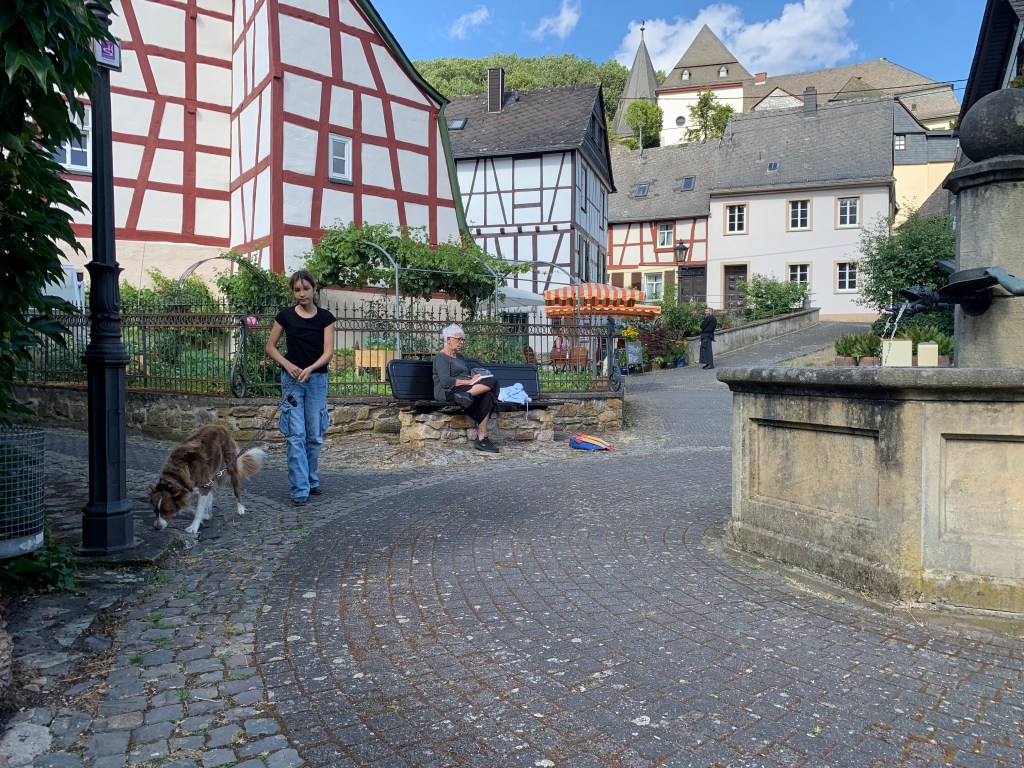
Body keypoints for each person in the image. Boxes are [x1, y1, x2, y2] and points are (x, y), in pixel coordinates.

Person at [265, 270, 336, 505]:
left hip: (316, 380)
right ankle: (299, 489)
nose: (302, 293)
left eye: (306, 288)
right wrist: (287, 365)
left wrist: (311, 368)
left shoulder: (325, 318)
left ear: (313, 289)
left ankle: (311, 478)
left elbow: (328, 352)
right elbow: (270, 347)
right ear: (293, 293)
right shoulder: (285, 316)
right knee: (296, 435)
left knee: (314, 436)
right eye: (297, 290)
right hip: (292, 382)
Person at [432, 323, 500, 453]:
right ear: (448, 339)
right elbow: (445, 382)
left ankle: (482, 437)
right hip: (447, 391)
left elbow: (466, 374)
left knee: (488, 394)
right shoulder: (441, 357)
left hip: (464, 389)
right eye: (458, 339)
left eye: (462, 339)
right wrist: (469, 382)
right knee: (493, 382)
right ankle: (468, 395)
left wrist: (474, 378)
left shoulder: (460, 357)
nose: (461, 342)